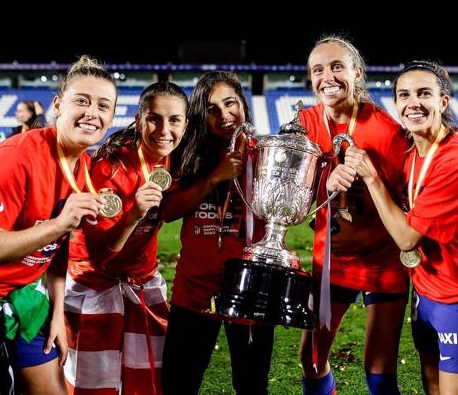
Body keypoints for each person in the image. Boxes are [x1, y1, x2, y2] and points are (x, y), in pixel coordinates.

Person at [0, 55, 117, 395]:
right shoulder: (14, 157)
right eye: (82, 101)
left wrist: (59, 313)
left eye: (104, 105)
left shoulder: (86, 169)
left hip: (22, 295)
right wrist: (60, 223)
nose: (93, 113)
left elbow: (57, 251)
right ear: (58, 105)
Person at [342, 60, 458, 394]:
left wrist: (371, 177)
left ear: (443, 102)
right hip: (426, 290)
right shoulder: (415, 151)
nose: (412, 102)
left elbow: (405, 238)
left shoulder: (456, 162)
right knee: (431, 384)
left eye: (424, 93)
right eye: (404, 94)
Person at [298, 35, 411, 395]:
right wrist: (323, 184)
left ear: (356, 73)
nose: (327, 77)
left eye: (337, 67)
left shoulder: (389, 133)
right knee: (311, 360)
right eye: (318, 69)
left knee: (379, 369)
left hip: (383, 260)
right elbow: (294, 200)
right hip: (333, 261)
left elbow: (412, 202)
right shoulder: (304, 124)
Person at [64, 82, 188, 394]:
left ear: (186, 125)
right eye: (154, 119)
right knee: (92, 385)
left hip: (142, 280)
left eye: (174, 120)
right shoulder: (109, 168)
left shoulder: (176, 159)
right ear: (138, 120)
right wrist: (134, 212)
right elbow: (101, 254)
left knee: (146, 381)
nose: (164, 130)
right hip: (93, 282)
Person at [161, 71, 274, 395]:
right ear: (200, 114)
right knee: (179, 382)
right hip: (194, 288)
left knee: (252, 385)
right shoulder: (186, 154)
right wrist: (214, 177)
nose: (224, 115)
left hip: (250, 289)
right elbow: (168, 212)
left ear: (243, 104)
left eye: (230, 103)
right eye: (212, 109)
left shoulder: (265, 154)